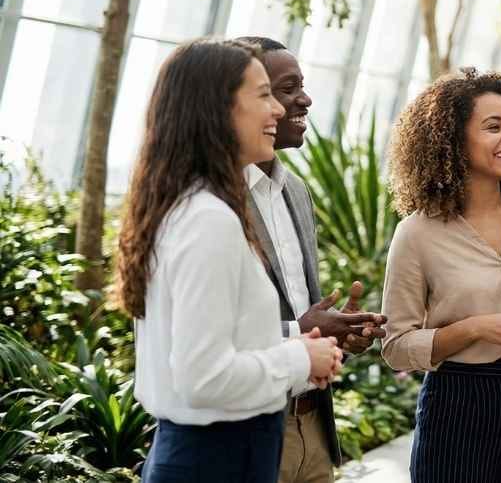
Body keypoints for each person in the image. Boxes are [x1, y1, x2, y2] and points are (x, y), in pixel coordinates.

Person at [115, 39, 342, 483]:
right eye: (262, 95)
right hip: (216, 458)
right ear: (217, 111)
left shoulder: (192, 209)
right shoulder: (208, 220)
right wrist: (300, 357)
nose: (277, 110)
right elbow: (204, 377)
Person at [380, 68, 501, 483]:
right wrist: (473, 330)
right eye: (493, 127)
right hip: (458, 402)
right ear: (453, 141)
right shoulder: (416, 233)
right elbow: (396, 345)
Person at [235, 36, 388, 483]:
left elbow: (302, 316)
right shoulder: (215, 202)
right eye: (284, 89)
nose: (304, 99)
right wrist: (300, 332)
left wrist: (339, 333)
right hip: (252, 433)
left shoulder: (296, 193)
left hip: (314, 430)